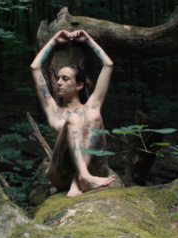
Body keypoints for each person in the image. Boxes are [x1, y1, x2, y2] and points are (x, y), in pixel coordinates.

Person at [30, 29, 116, 197]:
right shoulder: (53, 109)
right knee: (74, 119)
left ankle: (81, 179)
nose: (58, 82)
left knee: (93, 115)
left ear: (79, 85)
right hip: (62, 175)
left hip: (96, 170)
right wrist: (54, 40)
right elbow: (34, 67)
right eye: (58, 78)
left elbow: (108, 65)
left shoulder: (92, 105)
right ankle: (82, 177)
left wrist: (88, 39)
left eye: (65, 79)